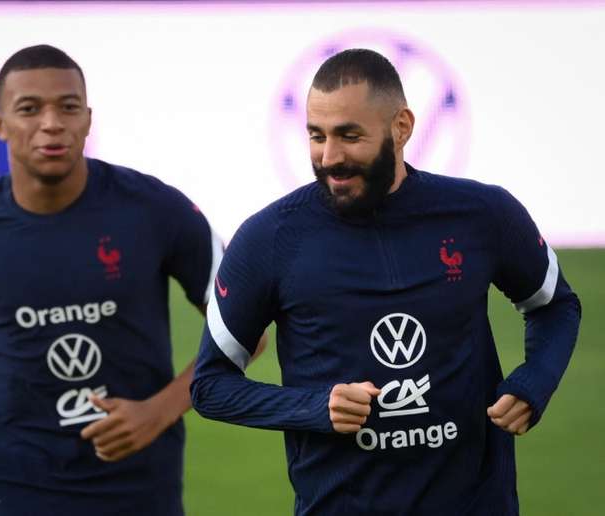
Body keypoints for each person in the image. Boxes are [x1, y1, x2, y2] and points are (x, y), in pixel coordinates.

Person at [190, 48, 581, 515]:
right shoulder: (269, 239)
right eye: (317, 136)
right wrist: (315, 409)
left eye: (349, 136)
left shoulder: (482, 214)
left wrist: (536, 379)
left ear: (402, 127)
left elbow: (554, 305)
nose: (329, 157)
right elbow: (210, 386)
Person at [0, 44, 225, 516]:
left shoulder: (156, 210)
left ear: (88, 120)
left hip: (140, 486)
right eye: (29, 109)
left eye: (68, 107)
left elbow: (242, 327)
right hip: (16, 484)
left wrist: (159, 410)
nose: (51, 123)